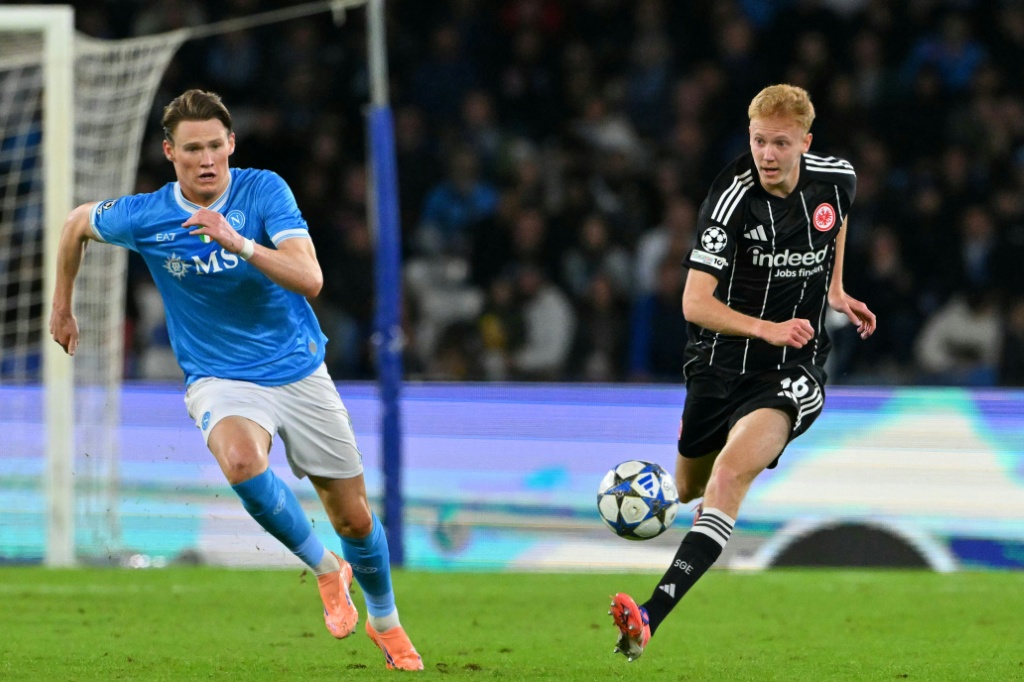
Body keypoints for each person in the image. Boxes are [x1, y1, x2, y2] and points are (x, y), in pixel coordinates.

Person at [48, 89, 422, 671]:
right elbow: (75, 224)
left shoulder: (263, 191)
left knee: (353, 517)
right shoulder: (147, 215)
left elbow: (311, 278)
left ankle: (386, 621)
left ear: (231, 145)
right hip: (219, 377)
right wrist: (62, 306)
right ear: (170, 153)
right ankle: (327, 570)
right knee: (242, 462)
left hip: (298, 369)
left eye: (214, 146)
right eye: (192, 149)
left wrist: (240, 243)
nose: (206, 159)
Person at [609, 84, 876, 661]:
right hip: (718, 364)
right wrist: (766, 327)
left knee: (729, 477)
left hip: (792, 368)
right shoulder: (731, 200)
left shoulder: (838, 179)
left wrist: (834, 289)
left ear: (805, 143)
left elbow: (837, 221)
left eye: (780, 143)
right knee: (688, 489)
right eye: (758, 141)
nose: (767, 154)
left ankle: (650, 616)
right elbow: (693, 302)